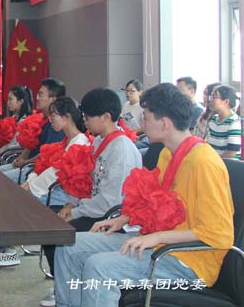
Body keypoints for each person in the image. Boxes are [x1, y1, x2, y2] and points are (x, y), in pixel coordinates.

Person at [53, 83, 234, 307]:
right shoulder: (168, 154)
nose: (142, 123)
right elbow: (156, 202)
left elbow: (218, 234)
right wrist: (123, 219)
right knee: (69, 245)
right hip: (159, 243)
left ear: (164, 124)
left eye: (146, 117)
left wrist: (156, 237)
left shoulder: (203, 163)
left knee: (100, 268)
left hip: (188, 262)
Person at [39, 87, 142, 307]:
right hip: (94, 209)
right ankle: (65, 290)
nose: (84, 121)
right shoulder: (98, 142)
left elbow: (111, 201)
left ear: (106, 117)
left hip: (112, 217)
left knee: (60, 235)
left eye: (87, 116)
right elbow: (84, 181)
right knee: (49, 225)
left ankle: (67, 294)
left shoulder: (121, 149)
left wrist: (76, 212)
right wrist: (70, 205)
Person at [22, 97, 90, 207]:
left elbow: (55, 172)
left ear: (67, 117)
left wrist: (32, 185)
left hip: (64, 195)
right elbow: (45, 167)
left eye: (53, 115)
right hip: (50, 189)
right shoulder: (66, 141)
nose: (50, 120)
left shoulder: (80, 143)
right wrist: (30, 181)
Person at [0, 77, 67, 183]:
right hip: (27, 164)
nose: (37, 98)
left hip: (36, 170)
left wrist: (25, 162)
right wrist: (20, 159)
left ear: (52, 99)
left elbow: (46, 155)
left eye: (40, 95)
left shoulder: (56, 124)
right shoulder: (41, 119)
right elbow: (30, 147)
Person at [0, 85, 34, 164]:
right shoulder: (14, 117)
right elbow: (6, 141)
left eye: (11, 99)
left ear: (21, 101)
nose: (8, 102)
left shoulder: (25, 121)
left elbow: (14, 145)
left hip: (13, 154)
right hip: (6, 151)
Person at [206, 84, 241, 159]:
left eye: (214, 97)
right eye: (211, 96)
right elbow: (208, 145)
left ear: (226, 102)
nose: (210, 100)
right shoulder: (214, 119)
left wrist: (214, 160)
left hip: (229, 163)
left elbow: (232, 153)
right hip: (214, 161)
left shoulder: (234, 122)